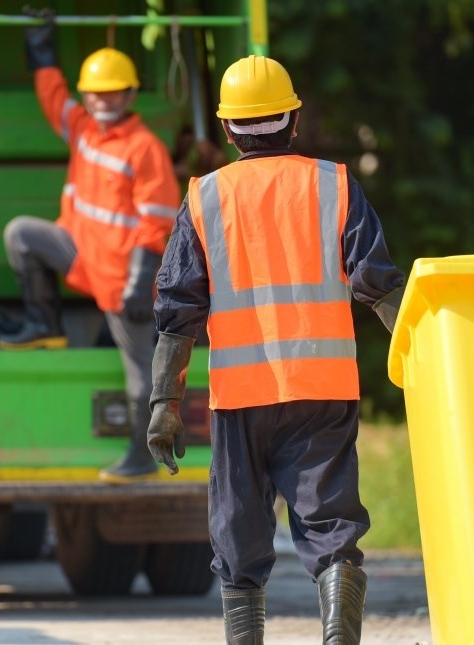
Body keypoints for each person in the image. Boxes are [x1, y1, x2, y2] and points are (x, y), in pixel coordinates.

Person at [145, 55, 406, 644]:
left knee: (238, 533)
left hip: (241, 396)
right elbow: (379, 284)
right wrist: (427, 360)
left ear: (230, 129)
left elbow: (176, 308)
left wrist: (163, 401)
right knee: (331, 524)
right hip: (322, 389)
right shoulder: (333, 185)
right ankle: (339, 636)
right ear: (293, 120)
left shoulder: (205, 198)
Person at [0, 9, 181, 483]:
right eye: (96, 92)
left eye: (113, 91)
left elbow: (159, 220)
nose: (103, 99)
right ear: (86, 95)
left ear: (130, 94)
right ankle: (44, 323)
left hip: (123, 278)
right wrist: (40, 45)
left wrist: (144, 283)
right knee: (21, 233)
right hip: (79, 252)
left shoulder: (144, 148)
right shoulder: (82, 128)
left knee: (141, 374)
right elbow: (51, 96)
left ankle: (142, 457)